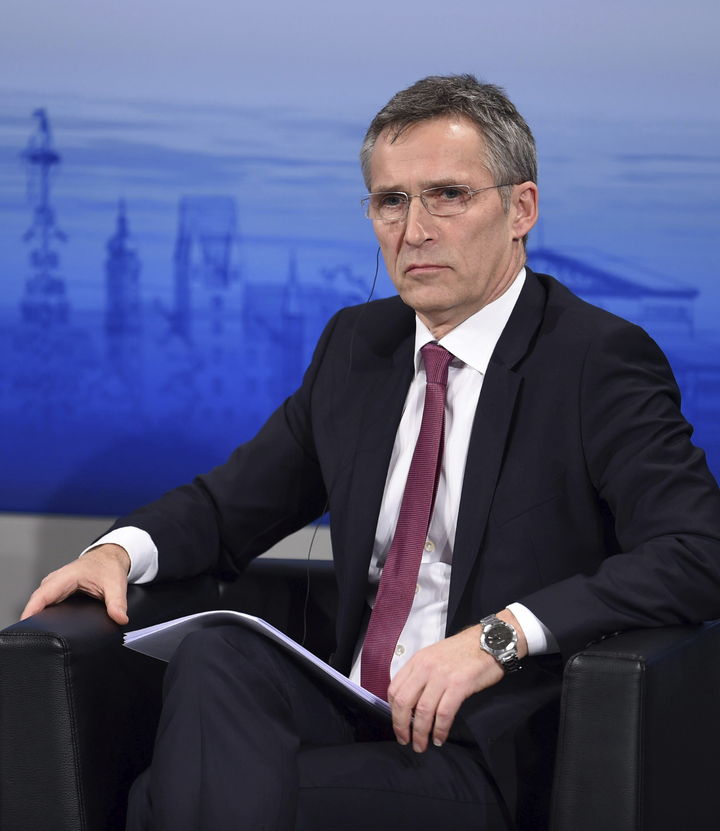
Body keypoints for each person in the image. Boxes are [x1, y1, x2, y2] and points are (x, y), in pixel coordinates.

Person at [22, 74, 720, 831]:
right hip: (356, 701)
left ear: (521, 209)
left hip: (486, 739)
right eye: (392, 201)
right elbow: (231, 504)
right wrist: (117, 552)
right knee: (215, 654)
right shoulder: (358, 346)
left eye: (447, 196)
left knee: (165, 800)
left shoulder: (595, 359)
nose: (414, 230)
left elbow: (697, 549)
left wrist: (499, 638)